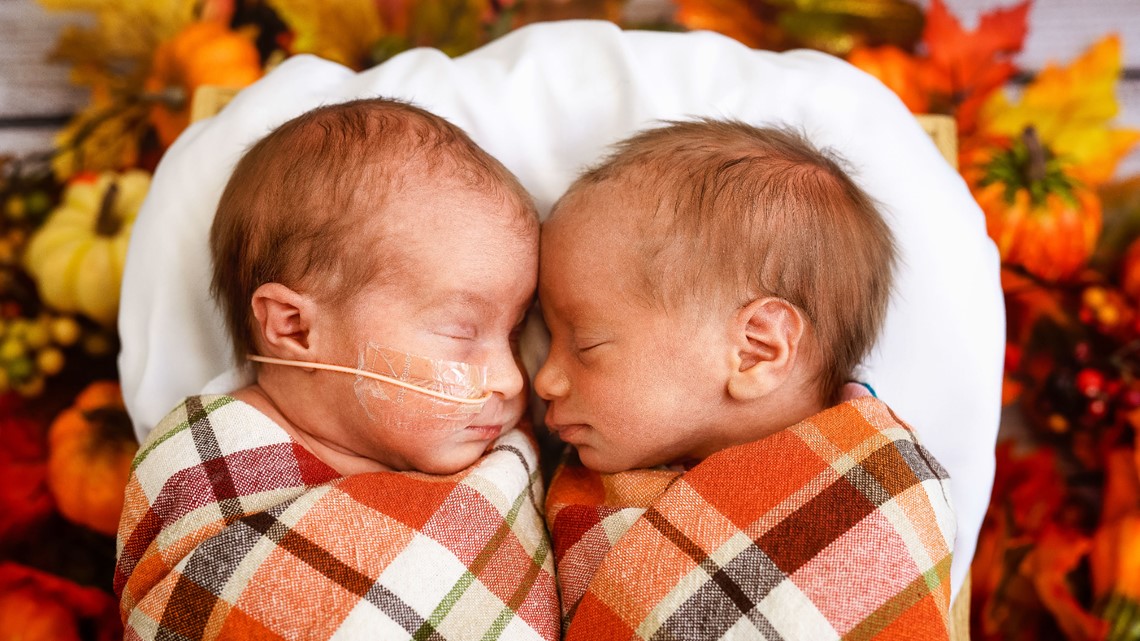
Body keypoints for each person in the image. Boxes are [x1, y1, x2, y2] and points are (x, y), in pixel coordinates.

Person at [116, 98, 558, 641]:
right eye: (461, 332)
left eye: (514, 334)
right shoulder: (205, 465)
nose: (512, 379)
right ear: (295, 327)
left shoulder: (500, 457)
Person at [538, 119, 957, 640]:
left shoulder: (875, 488)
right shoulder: (571, 484)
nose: (544, 380)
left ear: (755, 349)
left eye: (586, 345)